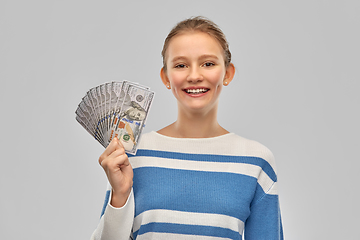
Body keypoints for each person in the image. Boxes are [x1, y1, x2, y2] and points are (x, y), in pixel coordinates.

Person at [91, 16, 283, 240]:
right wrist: (120, 195)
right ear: (166, 77)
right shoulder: (131, 155)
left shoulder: (256, 161)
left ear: (228, 73)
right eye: (181, 65)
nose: (194, 76)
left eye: (208, 63)